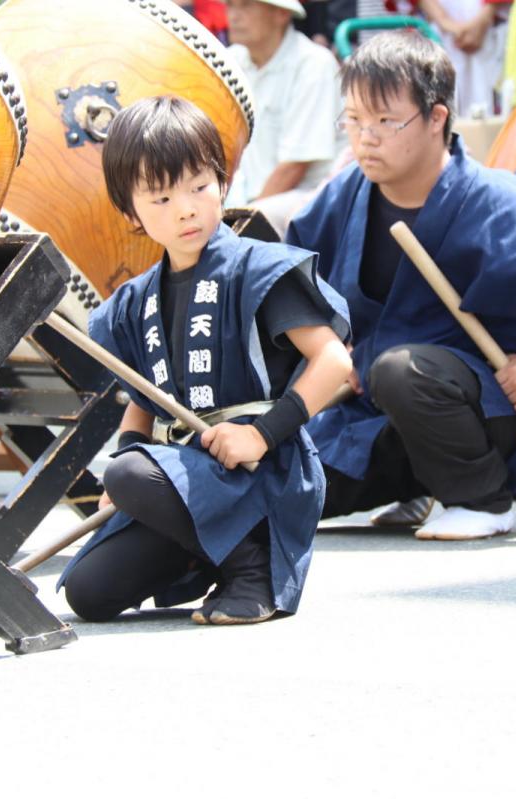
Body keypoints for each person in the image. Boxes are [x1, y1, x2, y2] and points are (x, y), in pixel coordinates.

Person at [287, 31, 516, 539]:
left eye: (386, 121)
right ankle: (417, 487)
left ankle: (483, 498)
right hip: (378, 418)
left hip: (484, 414)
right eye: (355, 120)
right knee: (281, 493)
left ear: (437, 118)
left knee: (400, 370)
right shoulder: (348, 193)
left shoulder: (497, 201)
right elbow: (296, 278)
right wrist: (332, 347)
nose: (366, 137)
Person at [59, 96, 353, 625]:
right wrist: (123, 481)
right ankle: (203, 550)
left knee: (130, 473)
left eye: (199, 186)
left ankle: (253, 569)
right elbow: (142, 403)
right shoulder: (136, 300)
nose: (187, 209)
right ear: (130, 210)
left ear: (222, 180)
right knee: (89, 593)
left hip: (261, 469)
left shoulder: (259, 269)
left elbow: (334, 363)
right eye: (162, 198)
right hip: (187, 480)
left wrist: (261, 434)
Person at [224, 0, 343, 236]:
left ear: (281, 13)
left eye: (246, 5)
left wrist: (240, 224)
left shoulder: (313, 64)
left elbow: (294, 167)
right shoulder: (230, 59)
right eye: (230, 4)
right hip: (246, 196)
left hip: (304, 203)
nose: (234, 15)